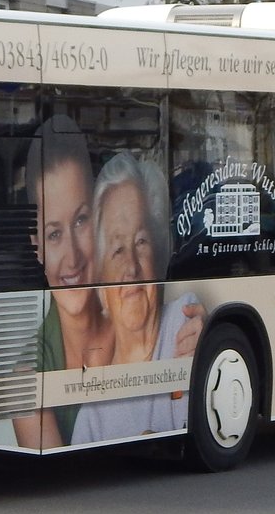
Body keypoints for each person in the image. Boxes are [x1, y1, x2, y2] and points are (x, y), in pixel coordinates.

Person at [70, 152, 202, 444]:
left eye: (141, 241)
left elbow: (189, 427)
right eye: (117, 250)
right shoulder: (92, 413)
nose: (131, 267)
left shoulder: (184, 324)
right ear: (100, 282)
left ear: (157, 251)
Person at [12, 116, 114, 450]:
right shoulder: (28, 378)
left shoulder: (143, 317)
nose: (72, 258)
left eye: (81, 220)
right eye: (54, 234)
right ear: (35, 244)